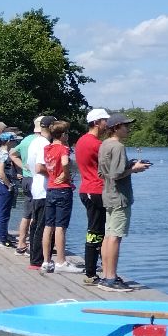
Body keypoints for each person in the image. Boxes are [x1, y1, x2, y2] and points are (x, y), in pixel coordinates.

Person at [97, 114, 150, 291]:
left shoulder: (104, 144)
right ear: (117, 127)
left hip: (108, 195)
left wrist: (129, 164)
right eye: (126, 126)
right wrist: (134, 169)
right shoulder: (118, 146)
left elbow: (102, 172)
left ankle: (106, 275)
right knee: (115, 237)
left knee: (108, 235)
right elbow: (116, 174)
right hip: (119, 197)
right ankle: (111, 279)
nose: (129, 129)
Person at [38, 121, 83, 275]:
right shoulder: (63, 148)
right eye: (67, 133)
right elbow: (64, 161)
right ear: (63, 135)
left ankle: (46, 261)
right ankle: (61, 261)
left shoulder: (47, 148)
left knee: (48, 225)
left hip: (50, 188)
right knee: (60, 227)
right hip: (63, 190)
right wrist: (65, 174)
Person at [74, 108, 111, 285]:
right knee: (96, 232)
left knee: (96, 231)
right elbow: (111, 166)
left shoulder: (82, 140)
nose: (108, 124)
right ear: (97, 123)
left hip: (87, 189)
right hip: (95, 190)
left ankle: (98, 269)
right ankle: (91, 273)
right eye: (105, 120)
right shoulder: (96, 144)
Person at [17, 115, 54, 270]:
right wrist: (57, 174)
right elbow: (40, 167)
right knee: (42, 225)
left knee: (36, 223)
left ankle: (34, 258)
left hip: (36, 186)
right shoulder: (44, 143)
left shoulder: (34, 141)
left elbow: (30, 165)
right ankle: (38, 260)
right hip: (43, 188)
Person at [0, 130, 22, 247]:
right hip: (3, 185)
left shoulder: (0, 151)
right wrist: (9, 185)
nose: (15, 143)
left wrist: (15, 175)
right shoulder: (4, 153)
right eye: (14, 140)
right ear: (8, 141)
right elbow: (0, 171)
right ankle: (1, 239)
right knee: (4, 213)